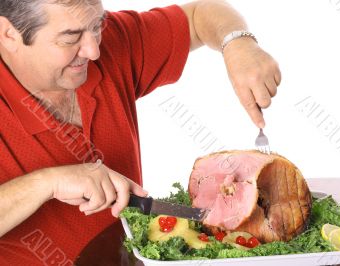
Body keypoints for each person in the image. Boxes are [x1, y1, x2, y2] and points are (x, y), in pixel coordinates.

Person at [0, 0, 281, 264]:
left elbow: (200, 15)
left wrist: (237, 43)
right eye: (70, 38)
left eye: (97, 26)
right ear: (9, 34)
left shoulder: (111, 44)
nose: (93, 51)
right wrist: (47, 183)